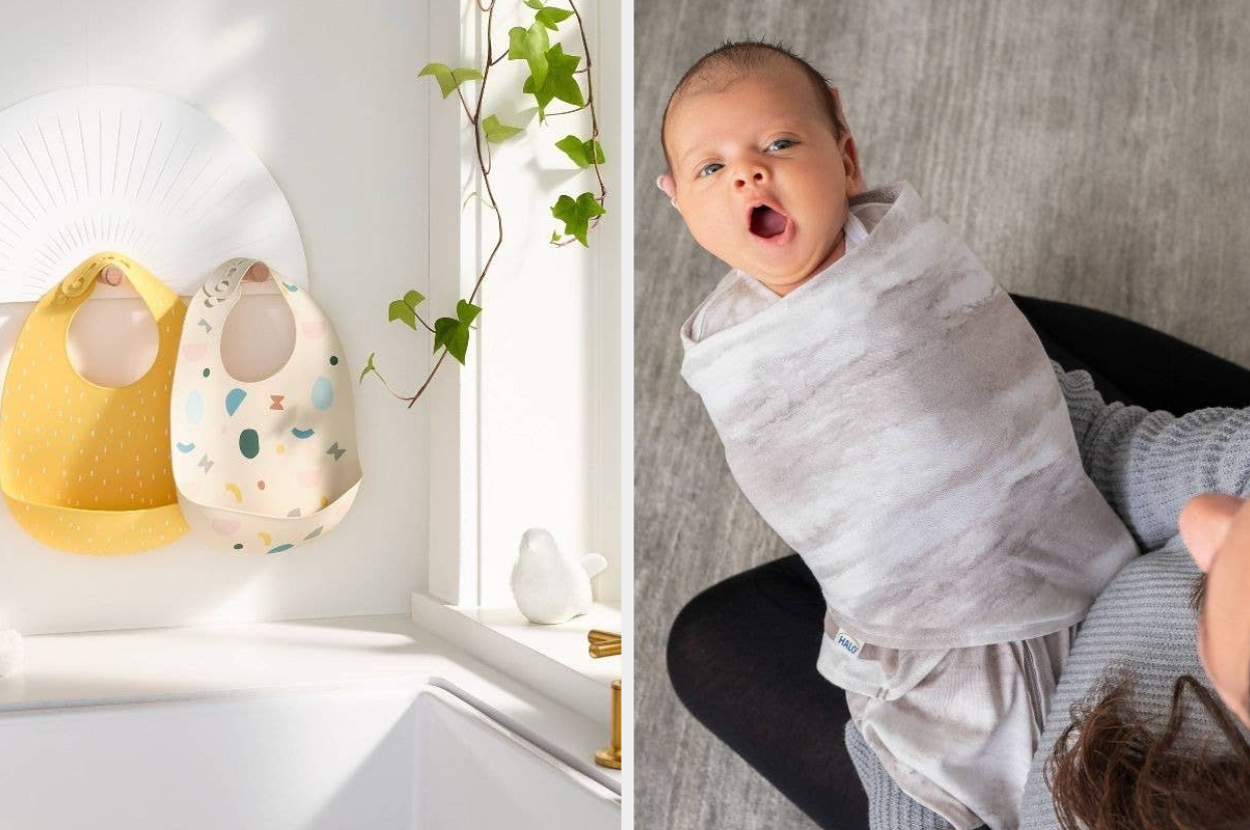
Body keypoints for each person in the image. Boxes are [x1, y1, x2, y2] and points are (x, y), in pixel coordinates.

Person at [659, 38, 1139, 828]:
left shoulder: (907, 259)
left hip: (1046, 573)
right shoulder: (725, 349)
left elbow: (1025, 400)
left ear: (847, 160)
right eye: (711, 168)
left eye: (779, 143)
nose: (748, 174)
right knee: (898, 764)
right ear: (678, 203)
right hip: (904, 645)